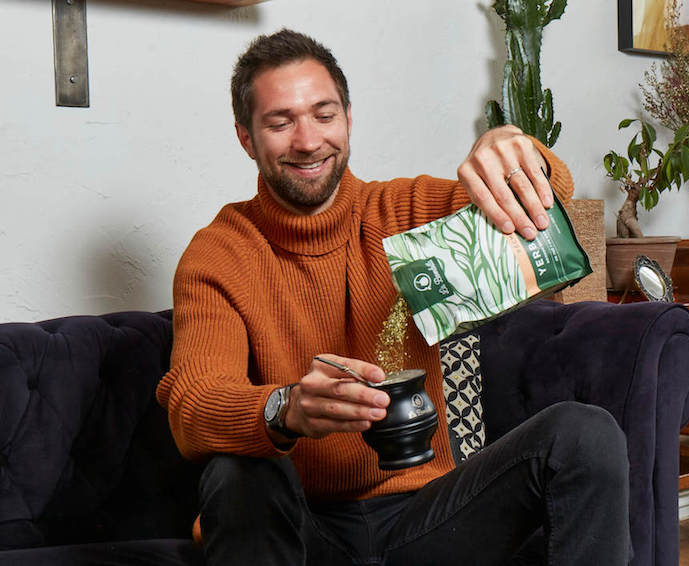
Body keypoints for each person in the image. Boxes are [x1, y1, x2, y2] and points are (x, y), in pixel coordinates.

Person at [156, 29, 631, 565]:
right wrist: (286, 407)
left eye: (324, 114)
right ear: (247, 138)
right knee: (236, 468)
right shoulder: (220, 252)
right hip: (305, 530)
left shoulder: (407, 210)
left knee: (584, 434)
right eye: (280, 122)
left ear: (349, 119)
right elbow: (192, 405)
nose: (308, 140)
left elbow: (551, 199)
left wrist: (510, 147)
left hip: (431, 519)